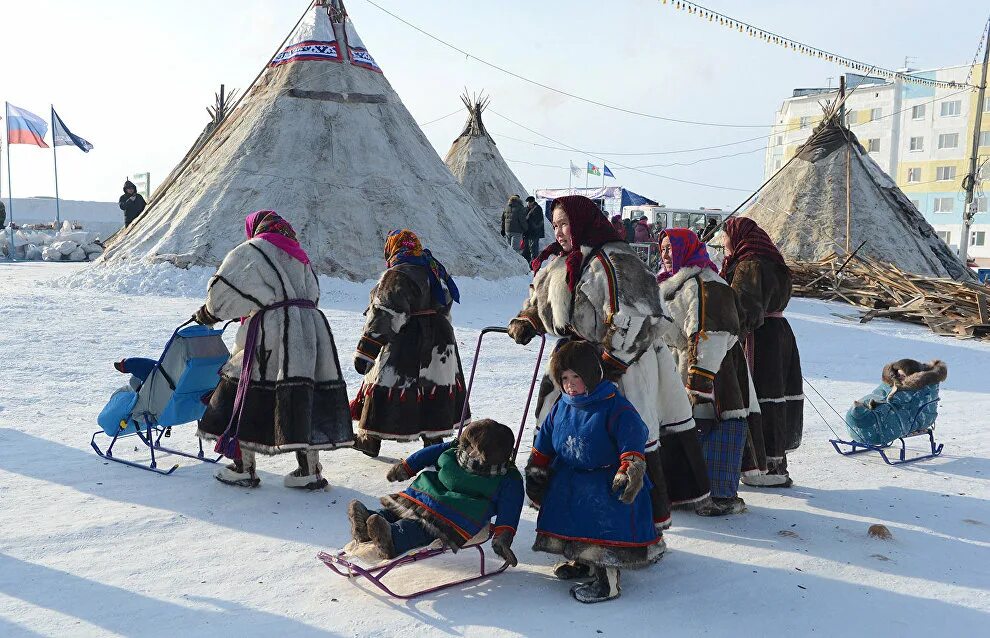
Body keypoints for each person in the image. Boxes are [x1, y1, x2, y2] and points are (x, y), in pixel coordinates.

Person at [507, 195, 711, 553]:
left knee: (621, 440)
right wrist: (529, 319)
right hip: (573, 364)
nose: (559, 232)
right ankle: (572, 529)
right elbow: (546, 302)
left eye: (565, 224)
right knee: (566, 439)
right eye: (554, 225)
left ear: (583, 222)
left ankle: (639, 533)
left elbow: (643, 318)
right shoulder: (558, 262)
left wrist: (607, 366)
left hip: (621, 368)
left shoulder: (617, 262)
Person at [195, 210, 353, 489]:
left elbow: (224, 295)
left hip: (271, 333)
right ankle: (310, 470)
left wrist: (208, 314)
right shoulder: (298, 253)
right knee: (301, 394)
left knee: (244, 393)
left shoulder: (251, 250)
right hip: (309, 332)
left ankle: (243, 467)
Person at [525, 341, 664, 603]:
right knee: (567, 514)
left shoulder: (614, 406)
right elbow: (544, 439)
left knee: (601, 524)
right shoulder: (562, 405)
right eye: (564, 378)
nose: (570, 384)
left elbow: (633, 436)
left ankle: (607, 580)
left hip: (606, 478)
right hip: (570, 476)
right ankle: (582, 561)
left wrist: (629, 467)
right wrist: (536, 466)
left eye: (576, 376)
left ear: (591, 373)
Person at [657, 229, 757, 516]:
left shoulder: (707, 284)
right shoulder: (672, 284)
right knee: (682, 429)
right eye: (662, 249)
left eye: (671, 248)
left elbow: (710, 334)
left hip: (714, 372)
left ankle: (716, 496)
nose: (665, 255)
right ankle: (687, 492)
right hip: (680, 366)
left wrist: (699, 381)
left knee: (711, 426)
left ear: (686, 249)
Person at [350, 229, 467, 458]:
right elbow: (446, 302)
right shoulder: (434, 270)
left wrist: (367, 350)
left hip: (406, 340)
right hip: (439, 341)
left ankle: (369, 439)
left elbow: (385, 313)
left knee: (386, 383)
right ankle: (433, 444)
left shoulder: (398, 274)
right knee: (433, 387)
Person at [347, 419, 523, 563]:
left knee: (419, 527)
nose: (469, 452)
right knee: (395, 510)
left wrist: (503, 537)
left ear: (491, 456)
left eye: (476, 450)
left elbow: (511, 509)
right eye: (468, 445)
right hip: (425, 494)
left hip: (457, 513)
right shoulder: (457, 450)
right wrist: (407, 467)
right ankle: (366, 524)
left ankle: (393, 539)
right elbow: (429, 453)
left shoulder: (507, 478)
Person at [719, 217, 803, 487]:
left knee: (759, 397)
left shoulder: (750, 265)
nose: (723, 243)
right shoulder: (773, 261)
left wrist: (729, 336)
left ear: (737, 236)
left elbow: (745, 308)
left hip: (759, 336)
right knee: (776, 397)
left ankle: (763, 466)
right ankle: (776, 465)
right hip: (779, 333)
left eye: (725, 237)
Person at [524, 196, 545, 260]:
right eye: (527, 202)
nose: (528, 203)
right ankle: (527, 263)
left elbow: (537, 221)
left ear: (533, 202)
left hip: (535, 232)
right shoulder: (527, 209)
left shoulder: (537, 208)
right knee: (527, 249)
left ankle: (534, 264)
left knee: (534, 249)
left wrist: (528, 219)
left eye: (529, 202)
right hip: (527, 232)